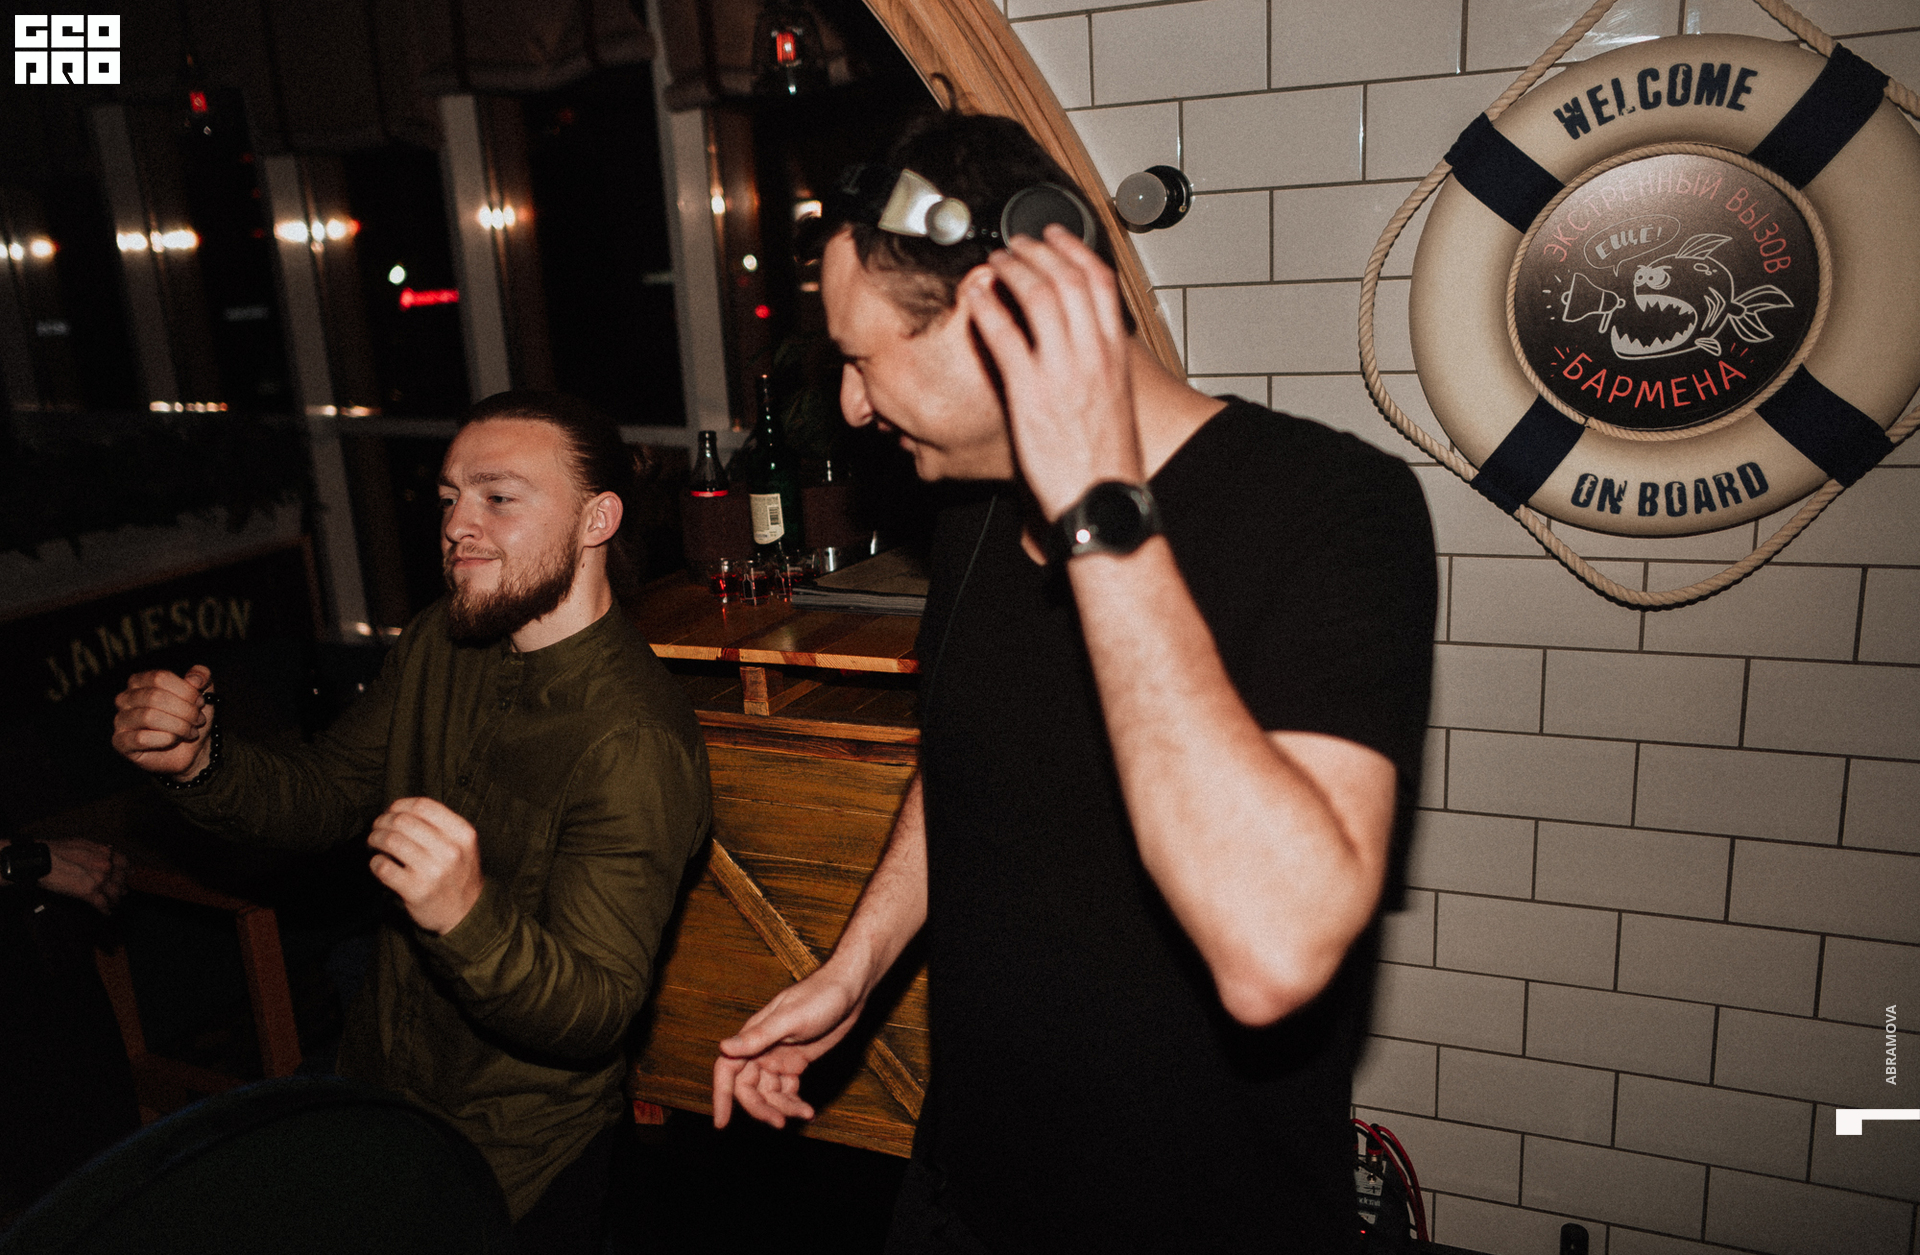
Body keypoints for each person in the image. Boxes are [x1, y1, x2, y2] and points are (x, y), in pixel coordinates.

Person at [712, 114, 1436, 1253]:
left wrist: (1099, 508)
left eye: (862, 358)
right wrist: (856, 967)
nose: (850, 406)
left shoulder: (1333, 509)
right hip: (963, 1198)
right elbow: (968, 761)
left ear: (1005, 320)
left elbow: (1274, 954)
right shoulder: (974, 514)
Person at [111, 392, 712, 1251]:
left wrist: (467, 914)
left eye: (498, 497)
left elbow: (595, 1011)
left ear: (597, 520)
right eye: (449, 497)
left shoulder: (636, 739)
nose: (457, 524)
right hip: (379, 1095)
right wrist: (200, 762)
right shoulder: (441, 641)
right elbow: (326, 791)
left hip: (512, 1162)